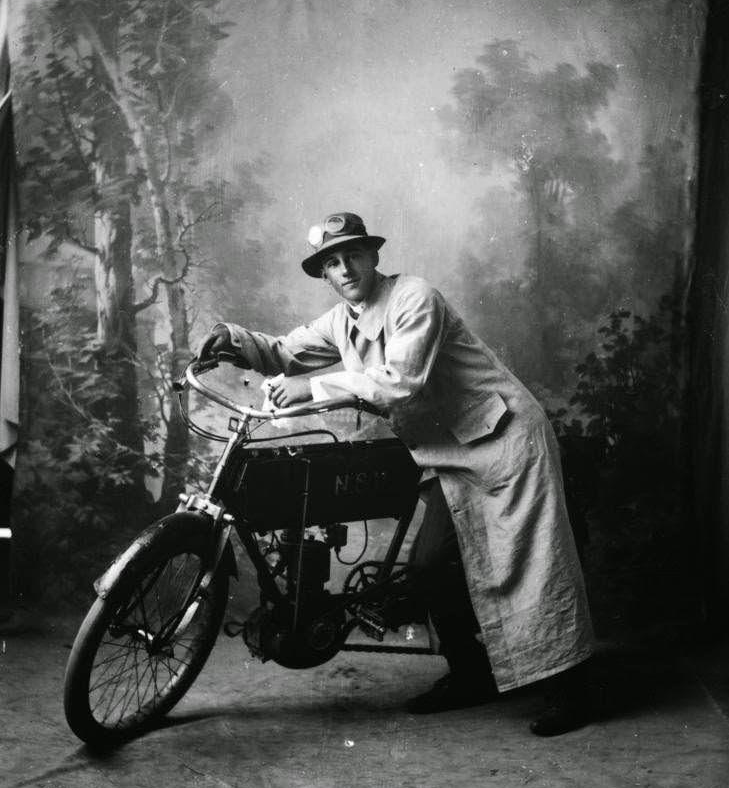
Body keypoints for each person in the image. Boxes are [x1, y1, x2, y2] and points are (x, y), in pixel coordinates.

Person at [198, 211, 595, 735]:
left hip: (504, 443)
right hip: (447, 455)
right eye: (332, 263)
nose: (344, 269)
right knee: (430, 567)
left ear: (373, 256)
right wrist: (231, 339)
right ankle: (472, 673)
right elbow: (284, 353)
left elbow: (399, 381)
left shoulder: (414, 298)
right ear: (324, 274)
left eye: (353, 255)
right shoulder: (343, 320)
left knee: (531, 563)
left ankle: (573, 690)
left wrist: (313, 390)